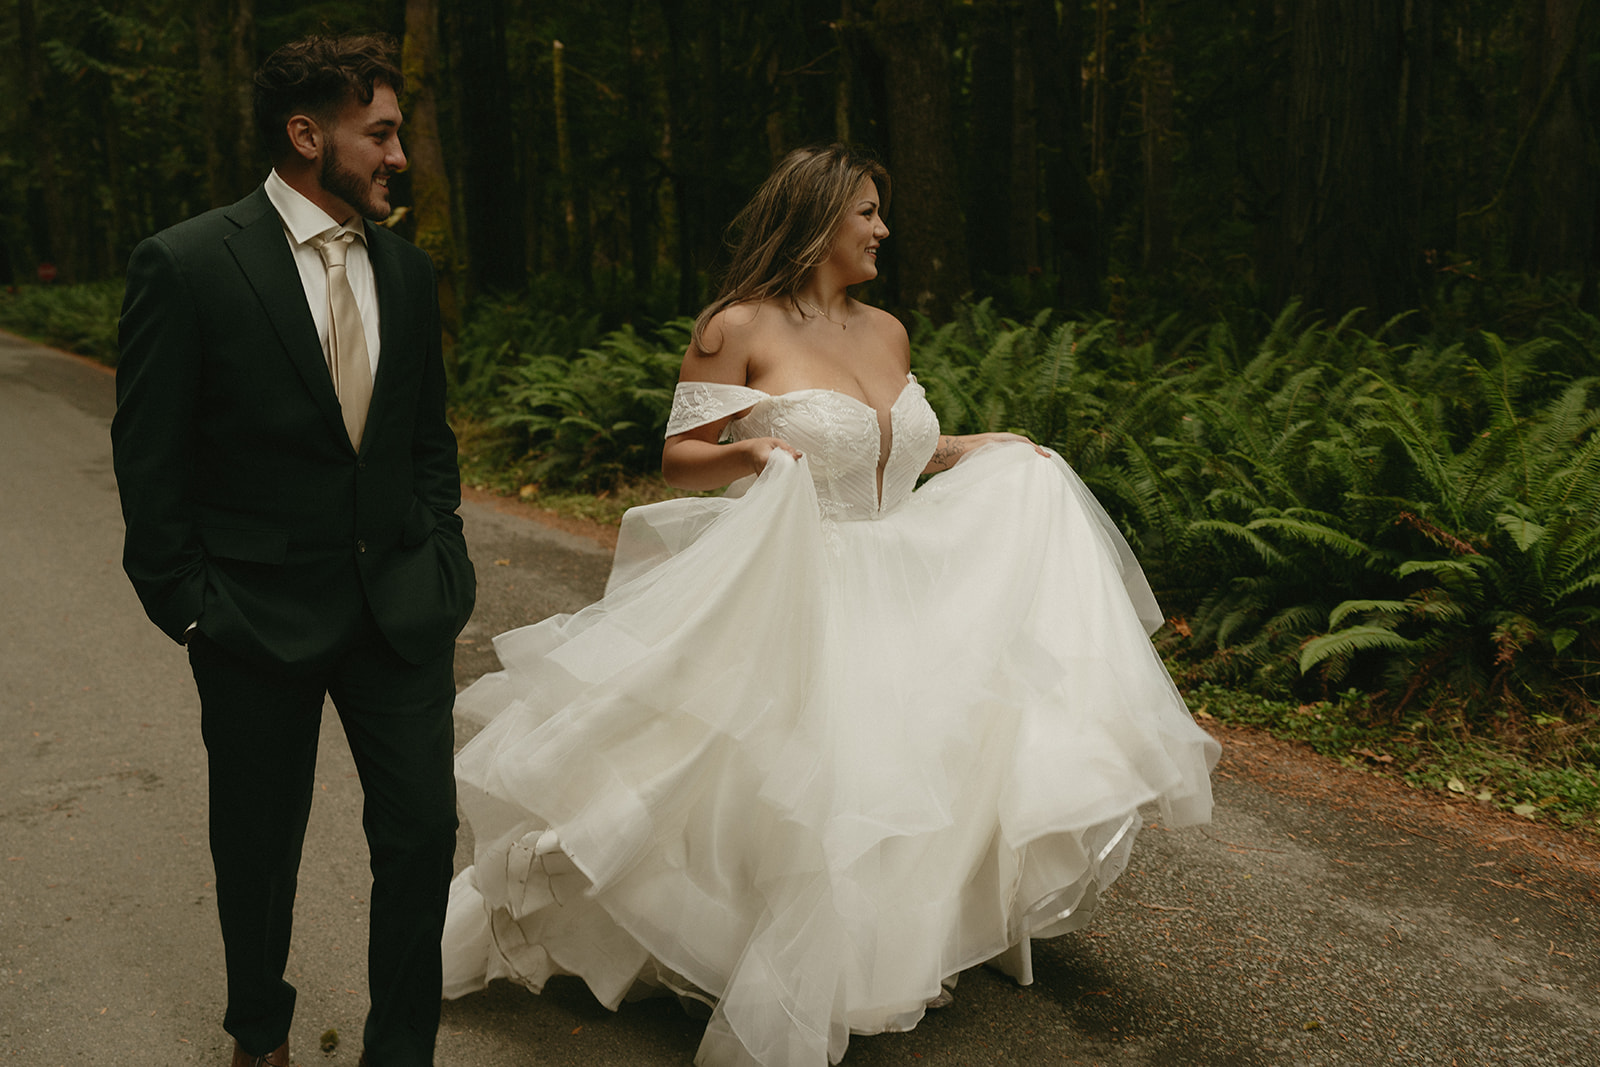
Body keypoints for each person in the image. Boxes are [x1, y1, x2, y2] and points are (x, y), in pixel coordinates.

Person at [441, 144, 1217, 1066]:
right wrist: (751, 456)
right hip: (797, 581)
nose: (884, 227)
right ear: (816, 220)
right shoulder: (736, 326)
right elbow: (680, 455)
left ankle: (879, 954)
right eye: (868, 212)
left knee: (901, 777)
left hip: (905, 574)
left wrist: (980, 447)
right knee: (789, 783)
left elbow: (895, 447)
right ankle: (752, 958)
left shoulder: (887, 330)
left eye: (881, 212)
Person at [111, 34, 474, 1067]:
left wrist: (440, 550)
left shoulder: (405, 270)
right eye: (382, 132)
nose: (398, 155)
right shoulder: (185, 263)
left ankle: (399, 1048)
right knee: (258, 849)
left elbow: (425, 440)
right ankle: (258, 1030)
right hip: (251, 614)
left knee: (421, 836)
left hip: (401, 605)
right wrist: (188, 603)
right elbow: (149, 457)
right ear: (308, 134)